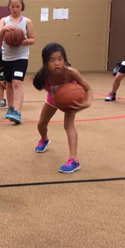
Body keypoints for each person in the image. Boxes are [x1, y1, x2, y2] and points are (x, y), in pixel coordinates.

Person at [32, 43, 93, 173]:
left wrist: (87, 102)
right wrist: (57, 100)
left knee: (68, 125)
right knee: (41, 124)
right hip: (53, 98)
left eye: (60, 59)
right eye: (52, 60)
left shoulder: (71, 73)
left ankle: (74, 160)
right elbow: (47, 90)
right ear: (45, 62)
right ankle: (44, 139)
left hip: (71, 99)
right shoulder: (44, 77)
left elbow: (88, 88)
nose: (57, 63)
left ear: (65, 59)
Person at [0, 0, 35, 124]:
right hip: (7, 57)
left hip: (21, 57)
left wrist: (25, 41)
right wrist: (4, 29)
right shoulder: (3, 20)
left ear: (22, 7)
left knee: (17, 82)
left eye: (18, 6)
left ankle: (17, 111)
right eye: (12, 6)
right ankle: (10, 108)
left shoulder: (27, 22)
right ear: (9, 7)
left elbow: (33, 39)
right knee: (9, 84)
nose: (15, 9)